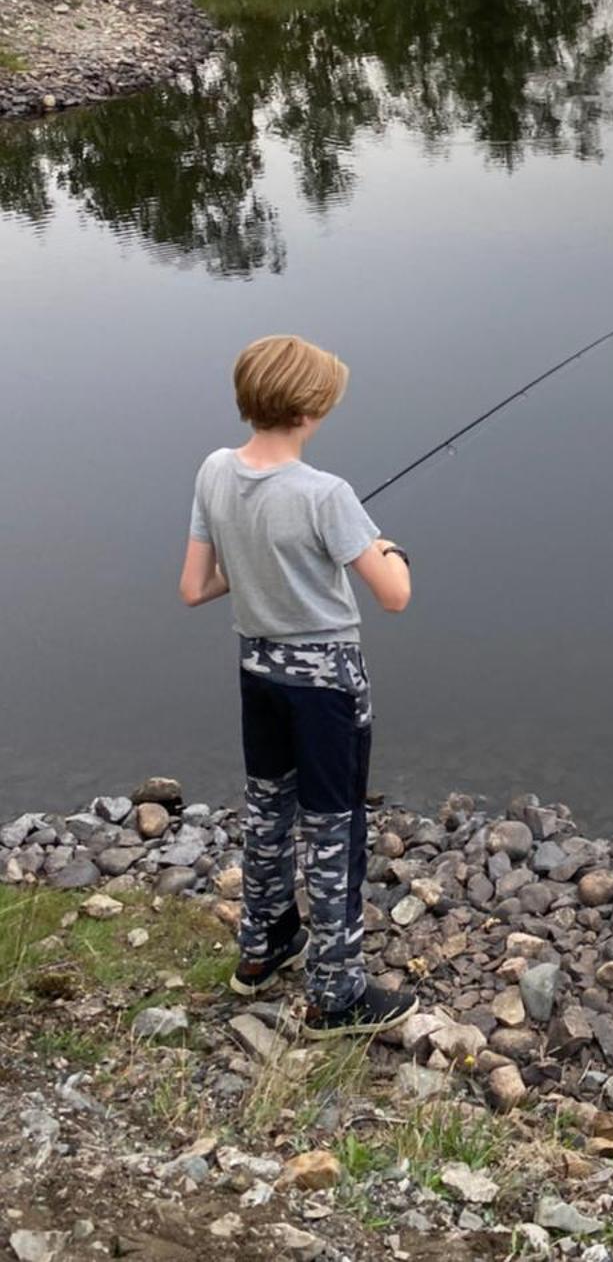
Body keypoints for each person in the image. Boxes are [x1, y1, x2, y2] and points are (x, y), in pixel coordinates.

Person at [179, 333, 418, 1036]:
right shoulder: (327, 495)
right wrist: (391, 547)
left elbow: (195, 587)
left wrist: (256, 569)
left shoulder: (214, 471)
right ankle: (336, 997)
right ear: (311, 410)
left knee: (267, 809)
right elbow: (395, 594)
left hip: (257, 670)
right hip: (325, 682)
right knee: (334, 827)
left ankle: (262, 947)